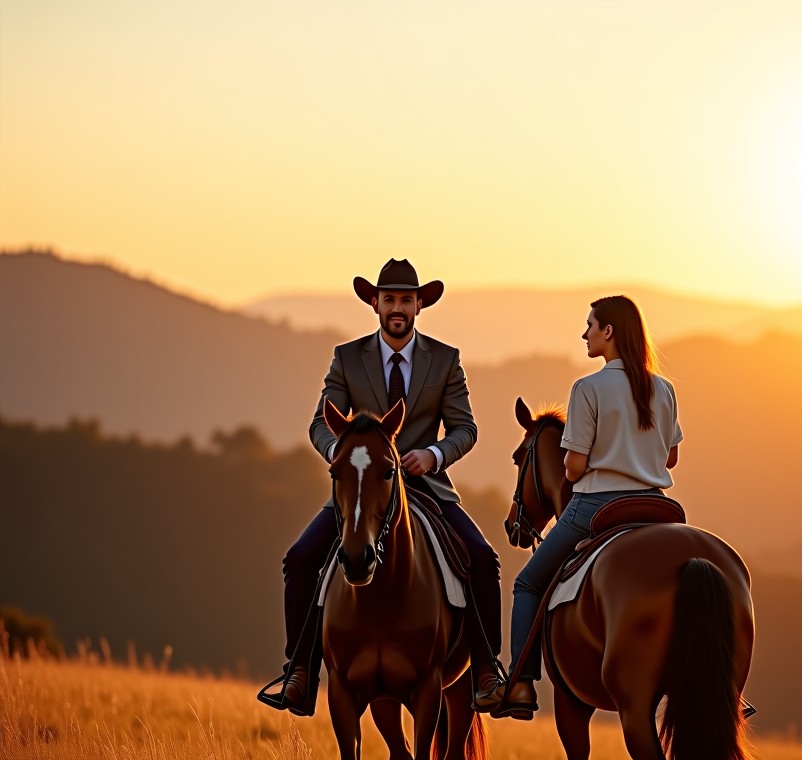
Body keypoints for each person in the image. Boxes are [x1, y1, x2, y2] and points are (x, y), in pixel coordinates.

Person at [260, 258, 503, 715]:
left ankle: (489, 672)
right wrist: (339, 453)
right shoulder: (347, 358)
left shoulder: (445, 359)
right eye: (389, 299)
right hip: (361, 489)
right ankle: (300, 672)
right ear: (374, 303)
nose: (397, 308)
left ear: (418, 306)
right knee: (299, 559)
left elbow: (465, 429)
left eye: (406, 300)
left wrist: (432, 455)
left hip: (425, 487)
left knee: (484, 559)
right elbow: (320, 423)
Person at [474, 294, 683, 720]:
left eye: (589, 325)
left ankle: (520, 684)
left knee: (528, 584)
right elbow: (671, 459)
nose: (584, 334)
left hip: (596, 505)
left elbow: (572, 469)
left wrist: (584, 459)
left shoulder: (587, 388)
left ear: (608, 332)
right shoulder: (663, 389)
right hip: (657, 506)